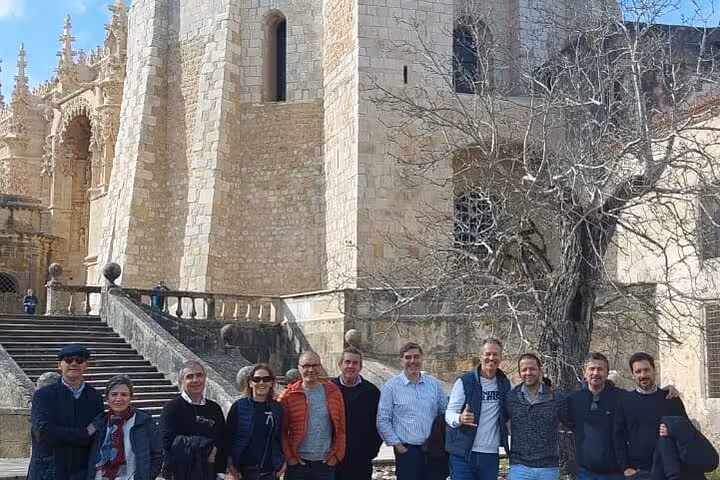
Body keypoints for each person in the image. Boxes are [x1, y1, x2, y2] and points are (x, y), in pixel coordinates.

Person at [28, 344, 104, 480]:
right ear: (59, 365)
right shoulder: (44, 395)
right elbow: (44, 432)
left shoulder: (95, 397)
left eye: (79, 360)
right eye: (68, 360)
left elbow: (97, 433)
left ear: (85, 365)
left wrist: (61, 434)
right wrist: (83, 433)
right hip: (48, 471)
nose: (74, 363)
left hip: (80, 472)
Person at [376, 342, 448, 480]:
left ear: (422, 359)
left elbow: (444, 413)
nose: (413, 361)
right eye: (408, 357)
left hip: (433, 451)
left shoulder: (434, 384)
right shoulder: (391, 387)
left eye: (416, 357)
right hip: (408, 452)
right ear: (401, 360)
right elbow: (383, 419)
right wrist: (398, 446)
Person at [445, 338, 512, 480]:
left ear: (501, 357)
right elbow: (449, 413)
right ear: (480, 355)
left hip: (490, 454)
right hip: (463, 453)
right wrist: (460, 418)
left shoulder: (506, 384)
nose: (491, 358)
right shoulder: (465, 381)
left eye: (496, 354)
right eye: (487, 354)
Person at [614, 352, 687, 480]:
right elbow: (618, 435)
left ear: (654, 370)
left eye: (646, 370)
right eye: (638, 371)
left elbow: (687, 430)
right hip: (639, 471)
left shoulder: (670, 398)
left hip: (670, 470)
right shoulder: (624, 401)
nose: (643, 375)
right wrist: (624, 467)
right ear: (633, 375)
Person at [279, 351, 346, 480]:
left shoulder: (333, 392)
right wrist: (290, 457)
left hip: (325, 463)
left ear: (320, 366)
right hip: (298, 464)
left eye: (315, 365)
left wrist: (336, 456)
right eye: (306, 366)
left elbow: (341, 426)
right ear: (299, 368)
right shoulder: (288, 395)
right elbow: (282, 431)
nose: (311, 369)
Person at [159, 360, 228, 480]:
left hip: (209, 473)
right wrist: (205, 448)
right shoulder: (171, 408)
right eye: (189, 377)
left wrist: (220, 473)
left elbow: (222, 439)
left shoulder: (214, 408)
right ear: (182, 382)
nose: (195, 380)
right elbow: (167, 440)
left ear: (205, 379)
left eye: (199, 375)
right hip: (180, 473)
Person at [562, 352, 625, 480]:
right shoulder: (574, 399)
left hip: (616, 472)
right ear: (584, 373)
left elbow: (642, 397)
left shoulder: (621, 397)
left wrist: (667, 392)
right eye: (592, 369)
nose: (596, 373)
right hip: (585, 472)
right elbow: (568, 422)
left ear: (607, 373)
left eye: (600, 369)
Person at [87, 375, 163, 480]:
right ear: (107, 398)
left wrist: (147, 477)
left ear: (131, 397)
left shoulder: (144, 421)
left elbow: (157, 453)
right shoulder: (98, 422)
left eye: (124, 394)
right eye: (114, 394)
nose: (119, 399)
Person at [505, 353, 564, 480]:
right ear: (519, 372)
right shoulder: (511, 397)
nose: (528, 372)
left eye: (532, 369)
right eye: (524, 369)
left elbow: (572, 422)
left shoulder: (555, 397)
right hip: (519, 467)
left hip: (548, 467)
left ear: (540, 370)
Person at [331, 347, 383, 480]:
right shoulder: (329, 389)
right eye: (347, 362)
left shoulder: (371, 392)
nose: (351, 366)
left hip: (361, 458)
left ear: (360, 367)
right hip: (332, 457)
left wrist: (371, 451)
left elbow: (379, 423)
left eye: (355, 363)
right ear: (340, 365)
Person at [227, 363, 285, 480]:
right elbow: (228, 438)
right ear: (250, 383)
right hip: (243, 471)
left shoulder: (277, 408)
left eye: (266, 379)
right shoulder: (239, 406)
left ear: (271, 383)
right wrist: (230, 465)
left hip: (270, 471)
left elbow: (281, 437)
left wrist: (283, 464)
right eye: (257, 379)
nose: (261, 383)